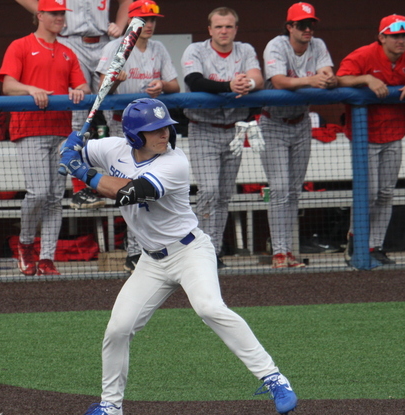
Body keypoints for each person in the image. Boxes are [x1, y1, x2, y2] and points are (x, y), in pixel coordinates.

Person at [59, 98, 298, 415]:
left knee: (210, 308)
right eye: (154, 130)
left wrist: (82, 172)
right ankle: (110, 408)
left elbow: (130, 192)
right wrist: (71, 146)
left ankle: (273, 378)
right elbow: (75, 150)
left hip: (189, 252)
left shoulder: (174, 163)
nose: (164, 135)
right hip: (151, 261)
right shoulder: (113, 148)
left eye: (166, 128)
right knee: (118, 329)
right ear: (134, 136)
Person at [337, 14, 405, 265]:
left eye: (404, 36)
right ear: (382, 37)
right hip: (365, 135)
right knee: (368, 192)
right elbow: (340, 79)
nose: (400, 41)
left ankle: (375, 246)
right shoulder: (363, 55)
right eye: (394, 36)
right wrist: (366, 78)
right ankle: (356, 239)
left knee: (385, 193)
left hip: (394, 133)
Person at [0, 0, 90, 276]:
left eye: (62, 13)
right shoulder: (21, 45)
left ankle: (47, 257)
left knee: (53, 196)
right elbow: (8, 86)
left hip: (61, 130)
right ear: (40, 15)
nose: (60, 18)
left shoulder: (66, 51)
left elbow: (83, 85)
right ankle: (26, 245)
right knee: (38, 192)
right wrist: (29, 89)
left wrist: (79, 91)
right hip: (29, 129)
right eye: (54, 13)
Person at [16, 0, 132, 210]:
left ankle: (120, 176)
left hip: (104, 40)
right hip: (69, 40)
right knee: (76, 113)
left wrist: (121, 23)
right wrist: (46, 14)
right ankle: (81, 187)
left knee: (112, 108)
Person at [95, 0, 179, 271]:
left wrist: (162, 85)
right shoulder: (113, 47)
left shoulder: (159, 48)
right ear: (131, 21)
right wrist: (115, 80)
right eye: (144, 19)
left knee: (146, 191)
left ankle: (143, 251)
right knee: (130, 191)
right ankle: (134, 252)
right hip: (122, 131)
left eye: (153, 20)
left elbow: (176, 86)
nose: (149, 24)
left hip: (153, 133)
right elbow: (101, 89)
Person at [181, 6, 263, 269]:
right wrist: (229, 86)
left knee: (224, 194)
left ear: (235, 29)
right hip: (203, 128)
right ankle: (201, 250)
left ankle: (213, 250)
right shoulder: (196, 50)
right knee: (209, 191)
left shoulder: (245, 50)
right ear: (210, 30)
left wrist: (246, 84)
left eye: (228, 26)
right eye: (219, 26)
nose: (224, 31)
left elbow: (257, 78)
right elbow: (195, 81)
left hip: (233, 129)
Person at [260, 2, 336, 269]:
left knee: (293, 190)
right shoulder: (277, 45)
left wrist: (326, 77)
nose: (307, 29)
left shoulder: (318, 45)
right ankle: (279, 251)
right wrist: (311, 80)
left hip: (301, 122)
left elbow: (327, 72)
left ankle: (287, 250)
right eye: (301, 25)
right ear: (289, 27)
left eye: (310, 24)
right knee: (278, 188)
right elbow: (279, 81)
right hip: (274, 122)